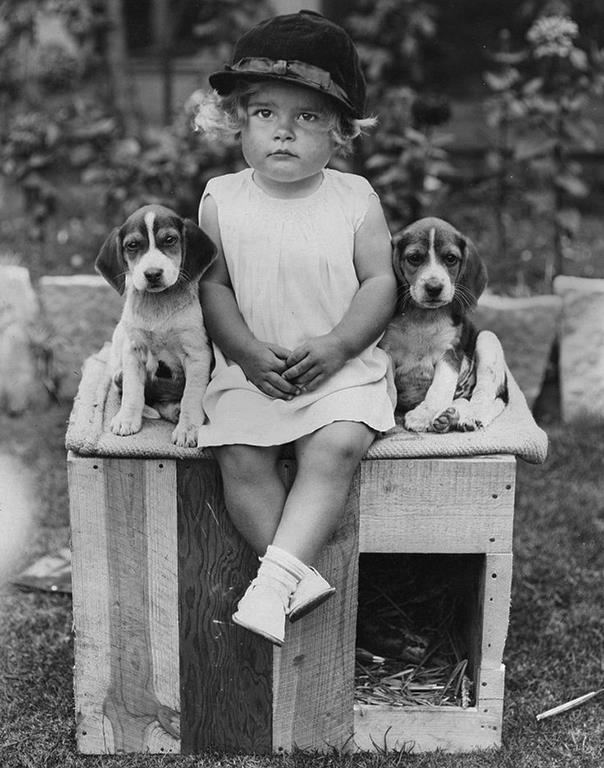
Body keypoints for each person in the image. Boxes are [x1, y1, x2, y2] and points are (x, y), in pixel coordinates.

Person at [194, 10, 396, 646]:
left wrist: (339, 346)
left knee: (335, 446)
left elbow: (380, 283)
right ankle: (292, 580)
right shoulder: (222, 198)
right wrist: (247, 353)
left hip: (338, 370)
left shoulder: (355, 198)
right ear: (237, 122)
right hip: (255, 369)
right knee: (239, 454)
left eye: (307, 117)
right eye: (264, 114)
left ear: (339, 132)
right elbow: (214, 285)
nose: (283, 132)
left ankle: (273, 582)